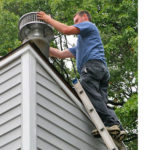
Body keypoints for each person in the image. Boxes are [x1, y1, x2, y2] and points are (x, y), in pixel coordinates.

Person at [37, 10, 126, 141]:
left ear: (85, 17)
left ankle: (109, 123)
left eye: (77, 21)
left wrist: (48, 19)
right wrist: (39, 45)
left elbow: (66, 30)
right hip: (101, 70)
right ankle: (117, 127)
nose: (76, 25)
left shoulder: (89, 25)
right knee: (100, 101)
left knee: (85, 87)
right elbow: (60, 54)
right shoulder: (83, 44)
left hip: (92, 66)